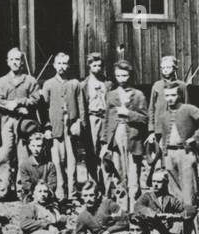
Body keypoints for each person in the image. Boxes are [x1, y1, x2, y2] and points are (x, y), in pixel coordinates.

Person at [150, 83, 199, 207]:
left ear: (179, 95)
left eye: (173, 95)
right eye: (167, 95)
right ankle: (179, 222)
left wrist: (195, 137)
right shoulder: (164, 115)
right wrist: (163, 156)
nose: (170, 98)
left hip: (185, 153)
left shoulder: (188, 109)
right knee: (174, 192)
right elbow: (163, 138)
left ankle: (191, 219)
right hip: (169, 155)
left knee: (188, 192)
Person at [0, 47, 39, 201]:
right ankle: (3, 189)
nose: (14, 62)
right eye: (11, 59)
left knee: (23, 156)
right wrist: (10, 106)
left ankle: (23, 191)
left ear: (22, 62)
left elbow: (36, 99)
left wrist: (20, 102)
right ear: (7, 61)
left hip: (24, 124)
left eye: (17, 59)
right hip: (7, 122)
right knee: (5, 154)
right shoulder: (2, 81)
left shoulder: (30, 81)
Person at [101, 60, 148, 205]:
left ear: (130, 76)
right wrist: (104, 142)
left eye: (124, 75)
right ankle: (121, 209)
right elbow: (106, 119)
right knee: (118, 174)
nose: (121, 79)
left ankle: (134, 209)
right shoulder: (111, 95)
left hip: (132, 138)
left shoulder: (138, 95)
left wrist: (128, 113)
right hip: (116, 138)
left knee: (133, 175)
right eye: (118, 76)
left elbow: (145, 119)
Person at [41, 51, 84, 199]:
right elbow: (43, 108)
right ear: (54, 65)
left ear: (69, 65)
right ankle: (60, 191)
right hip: (56, 127)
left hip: (70, 127)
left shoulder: (75, 83)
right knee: (57, 160)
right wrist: (46, 127)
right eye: (59, 63)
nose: (62, 67)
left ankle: (72, 192)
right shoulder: (48, 84)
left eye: (65, 63)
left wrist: (79, 123)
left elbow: (81, 106)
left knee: (71, 159)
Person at [133, 167, 195, 234]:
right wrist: (155, 215)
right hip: (150, 231)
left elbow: (190, 209)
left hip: (167, 232)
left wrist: (176, 217)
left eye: (159, 182)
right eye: (154, 181)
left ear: (165, 183)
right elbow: (137, 207)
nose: (155, 184)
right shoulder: (147, 196)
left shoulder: (170, 199)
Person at [81, 52, 109, 189]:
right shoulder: (84, 84)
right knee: (91, 151)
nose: (97, 68)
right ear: (89, 66)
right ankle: (92, 183)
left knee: (105, 151)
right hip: (92, 118)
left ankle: (105, 182)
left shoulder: (107, 83)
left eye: (99, 65)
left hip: (105, 118)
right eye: (94, 65)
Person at [147, 54, 188, 140]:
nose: (165, 70)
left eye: (168, 67)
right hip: (159, 129)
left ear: (174, 68)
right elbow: (151, 109)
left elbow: (187, 107)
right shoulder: (157, 86)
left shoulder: (182, 86)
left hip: (176, 126)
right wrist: (151, 130)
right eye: (163, 68)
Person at [15, 127, 59, 201]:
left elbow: (52, 184)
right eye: (33, 146)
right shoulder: (25, 165)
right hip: (31, 196)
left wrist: (44, 193)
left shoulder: (50, 165)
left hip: (46, 195)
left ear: (44, 147)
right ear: (29, 147)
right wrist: (35, 194)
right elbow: (26, 185)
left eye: (39, 146)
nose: (35, 149)